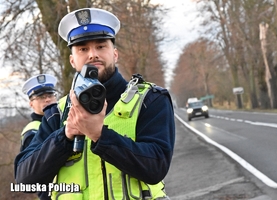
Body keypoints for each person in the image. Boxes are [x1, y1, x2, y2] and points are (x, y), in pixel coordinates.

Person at [14, 8, 175, 200]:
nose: (92, 55)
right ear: (72, 60)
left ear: (115, 54)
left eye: (100, 46)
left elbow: (156, 168)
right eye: (83, 49)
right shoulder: (56, 113)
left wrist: (100, 135)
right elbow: (25, 181)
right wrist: (65, 136)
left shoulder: (150, 100)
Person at [20, 74, 57, 151]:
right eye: (41, 97)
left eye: (50, 95)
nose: (47, 99)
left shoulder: (64, 120)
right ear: (31, 104)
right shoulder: (31, 131)